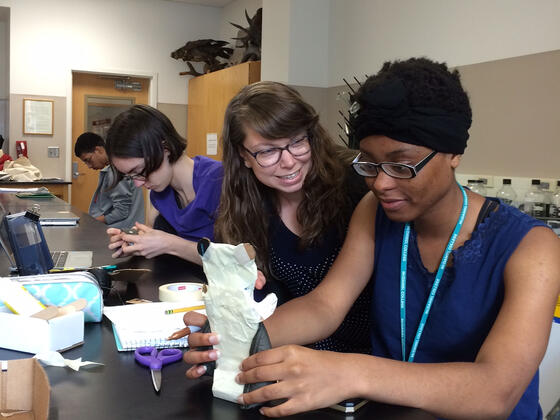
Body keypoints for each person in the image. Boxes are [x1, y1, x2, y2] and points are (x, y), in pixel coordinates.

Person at [184, 58, 560, 419]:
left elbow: (496, 393)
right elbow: (324, 307)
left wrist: (349, 371)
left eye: (401, 165)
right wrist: (236, 335)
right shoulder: (374, 211)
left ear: (453, 154)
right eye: (370, 164)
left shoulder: (532, 247)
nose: (381, 183)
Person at [214, 81, 371, 353]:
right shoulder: (247, 209)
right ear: (244, 156)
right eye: (267, 151)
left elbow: (326, 306)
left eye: (297, 141)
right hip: (292, 349)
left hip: (370, 357)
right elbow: (260, 306)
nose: (288, 162)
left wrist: (239, 341)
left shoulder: (358, 184)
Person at [104, 105, 222, 263]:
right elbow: (157, 240)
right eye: (130, 176)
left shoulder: (219, 180)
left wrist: (169, 244)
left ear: (164, 148)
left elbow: (240, 261)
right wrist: (135, 245)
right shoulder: (159, 195)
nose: (138, 184)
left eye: (139, 171)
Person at [74, 132, 144, 230]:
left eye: (88, 160)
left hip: (122, 231)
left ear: (98, 150)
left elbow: (121, 212)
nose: (89, 166)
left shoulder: (116, 170)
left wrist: (91, 221)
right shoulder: (111, 169)